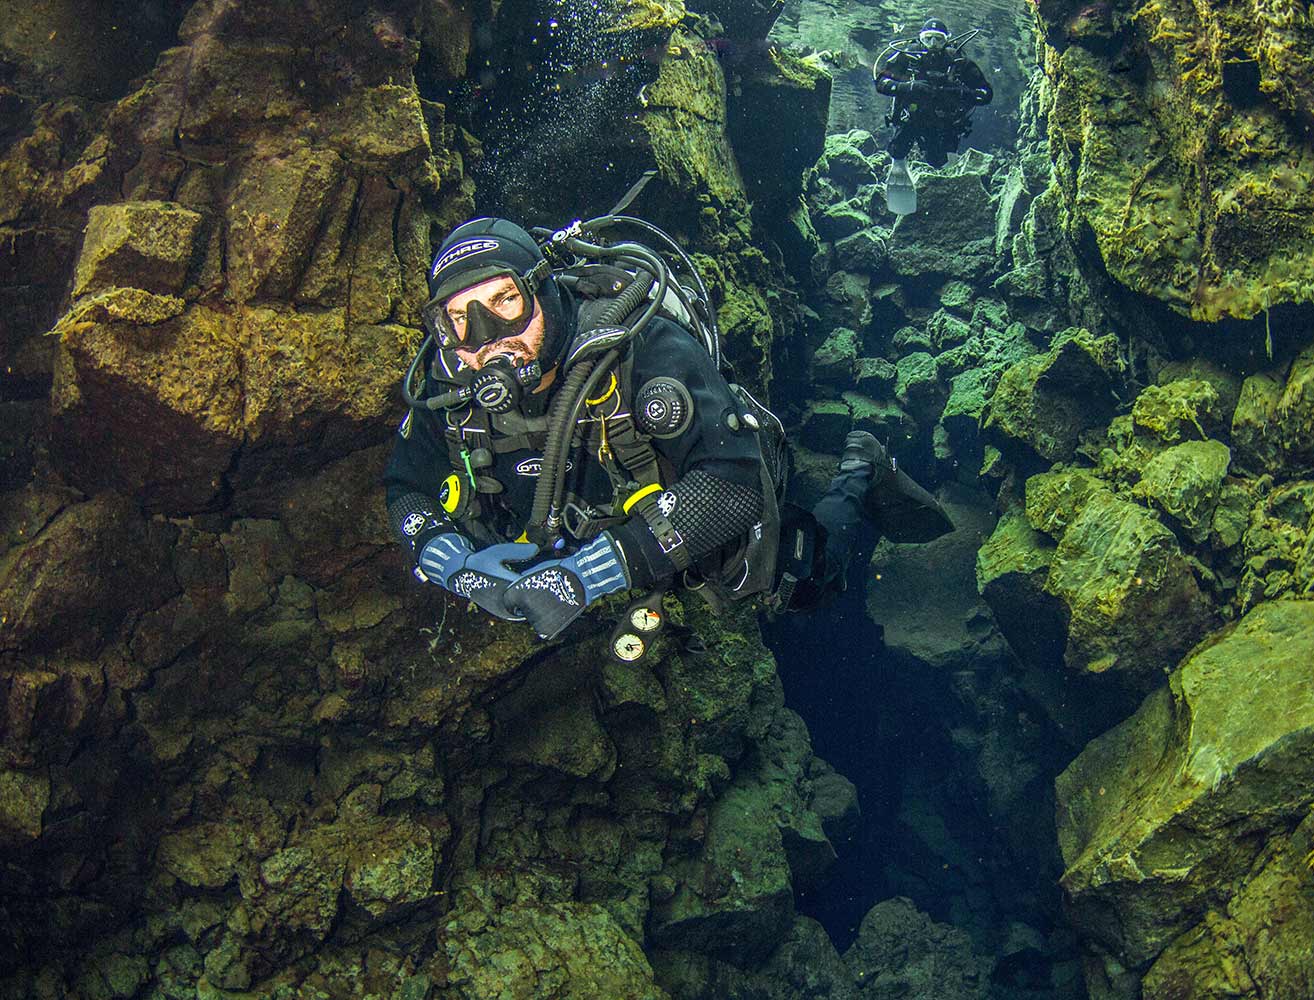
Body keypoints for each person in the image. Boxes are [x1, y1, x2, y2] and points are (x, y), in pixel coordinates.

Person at [384, 215, 953, 650]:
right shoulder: (448, 383)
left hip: (688, 528)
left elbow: (734, 485)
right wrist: (453, 565)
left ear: (545, 292)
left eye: (505, 301)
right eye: (458, 317)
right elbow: (405, 487)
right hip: (599, 545)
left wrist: (587, 576)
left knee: (807, 586)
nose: (486, 336)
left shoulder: (642, 347)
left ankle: (859, 466)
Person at [874, 17, 993, 214]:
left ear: (947, 40)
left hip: (944, 122)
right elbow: (880, 83)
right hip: (912, 118)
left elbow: (986, 93)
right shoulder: (908, 57)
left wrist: (964, 94)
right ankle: (899, 165)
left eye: (938, 39)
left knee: (938, 160)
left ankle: (944, 188)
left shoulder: (958, 62)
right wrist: (908, 87)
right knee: (899, 146)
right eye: (928, 38)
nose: (933, 44)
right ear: (920, 38)